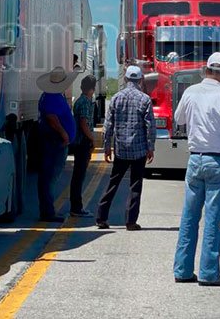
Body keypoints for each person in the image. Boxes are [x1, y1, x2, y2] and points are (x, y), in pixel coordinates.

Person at [172, 53, 220, 286]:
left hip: (195, 159)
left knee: (189, 217)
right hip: (217, 161)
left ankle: (182, 270)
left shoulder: (191, 92)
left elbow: (179, 119)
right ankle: (208, 273)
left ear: (206, 70)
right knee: (213, 220)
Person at [96, 65, 155, 230]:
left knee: (113, 182)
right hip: (139, 149)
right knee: (135, 185)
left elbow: (108, 125)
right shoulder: (145, 99)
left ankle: (101, 217)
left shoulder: (116, 98)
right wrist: (150, 147)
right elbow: (150, 126)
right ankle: (130, 221)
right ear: (140, 80)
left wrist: (107, 147)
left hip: (120, 149)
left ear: (126, 78)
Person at [36, 66, 80, 222]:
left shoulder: (50, 95)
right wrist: (64, 134)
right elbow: (52, 118)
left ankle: (48, 210)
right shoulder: (52, 97)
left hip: (52, 140)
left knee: (49, 176)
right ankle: (48, 212)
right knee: (50, 177)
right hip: (54, 140)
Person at [70, 75, 98, 217]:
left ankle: (76, 206)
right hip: (83, 142)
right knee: (79, 176)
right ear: (91, 89)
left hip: (79, 142)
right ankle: (76, 207)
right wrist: (92, 138)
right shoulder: (85, 102)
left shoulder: (79, 101)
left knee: (78, 175)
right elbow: (83, 123)